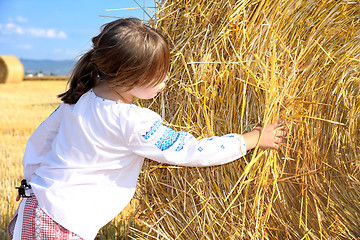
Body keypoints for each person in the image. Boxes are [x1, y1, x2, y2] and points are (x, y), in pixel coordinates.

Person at [8, 18, 286, 240]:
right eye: (159, 74)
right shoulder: (133, 121)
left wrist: (31, 184)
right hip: (62, 225)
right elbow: (190, 150)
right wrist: (250, 139)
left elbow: (39, 142)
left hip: (35, 207)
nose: (166, 80)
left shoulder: (79, 98)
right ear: (130, 77)